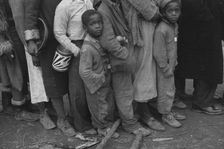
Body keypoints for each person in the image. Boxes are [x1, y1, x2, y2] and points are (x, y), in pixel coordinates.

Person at [9, 0, 75, 136]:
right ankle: (62, 119)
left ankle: (69, 115)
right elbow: (30, 14)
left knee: (67, 78)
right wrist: (31, 40)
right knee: (53, 80)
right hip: (47, 39)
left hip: (66, 36)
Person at [97, 0, 151, 136]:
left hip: (125, 55)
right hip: (119, 59)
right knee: (124, 92)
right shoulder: (104, 10)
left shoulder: (119, 4)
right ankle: (130, 124)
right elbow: (108, 41)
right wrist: (126, 55)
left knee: (127, 90)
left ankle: (128, 119)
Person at [121, 0, 165, 131]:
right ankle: (144, 113)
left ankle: (149, 106)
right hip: (139, 30)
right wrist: (159, 12)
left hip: (148, 27)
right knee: (143, 70)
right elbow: (150, 12)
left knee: (150, 68)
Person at [54, 0, 96, 134]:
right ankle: (81, 124)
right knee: (77, 89)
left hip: (91, 44)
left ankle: (95, 120)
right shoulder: (64, 5)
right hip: (75, 48)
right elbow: (59, 32)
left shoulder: (88, 1)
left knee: (92, 87)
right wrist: (75, 50)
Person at [175, 0, 224, 114]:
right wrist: (211, 21)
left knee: (202, 63)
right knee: (208, 64)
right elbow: (193, 6)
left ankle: (198, 98)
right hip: (202, 27)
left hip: (204, 26)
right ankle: (201, 101)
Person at [79, 10, 118, 136]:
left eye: (99, 23)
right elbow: (84, 72)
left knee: (108, 104)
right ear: (85, 27)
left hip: (105, 83)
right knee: (99, 107)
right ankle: (102, 128)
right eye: (93, 24)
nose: (97, 26)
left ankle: (108, 125)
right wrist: (100, 78)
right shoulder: (87, 48)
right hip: (96, 86)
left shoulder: (99, 40)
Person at [153, 0, 186, 128]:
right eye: (170, 11)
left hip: (171, 65)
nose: (173, 14)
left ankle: (168, 110)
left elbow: (173, 46)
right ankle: (165, 115)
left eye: (176, 11)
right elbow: (158, 52)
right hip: (164, 68)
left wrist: (174, 63)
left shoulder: (174, 25)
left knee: (170, 90)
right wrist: (165, 67)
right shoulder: (162, 29)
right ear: (163, 13)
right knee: (164, 91)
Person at [0, 0, 28, 112]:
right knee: (12, 71)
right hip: (7, 35)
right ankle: (16, 108)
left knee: (20, 68)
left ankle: (23, 103)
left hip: (16, 32)